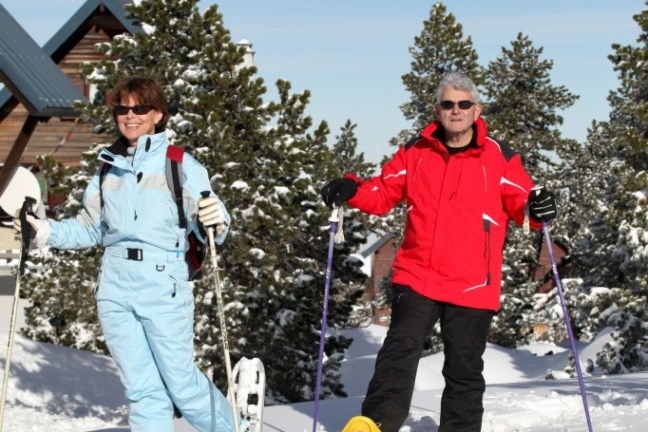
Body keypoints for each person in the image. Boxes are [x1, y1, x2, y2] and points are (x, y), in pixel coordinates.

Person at [321, 72, 557, 432]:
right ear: (437, 109)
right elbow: (382, 191)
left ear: (476, 110)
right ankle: (375, 424)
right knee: (398, 353)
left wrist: (537, 209)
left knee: (463, 368)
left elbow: (521, 201)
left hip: (473, 282)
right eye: (448, 104)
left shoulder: (499, 158)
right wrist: (351, 189)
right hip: (418, 275)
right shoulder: (415, 152)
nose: (456, 110)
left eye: (463, 104)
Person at [14, 76, 243, 432]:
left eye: (140, 108)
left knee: (181, 383)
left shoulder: (180, 163)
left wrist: (217, 218)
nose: (130, 115)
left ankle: (237, 430)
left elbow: (208, 217)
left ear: (158, 115)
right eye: (122, 108)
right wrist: (47, 231)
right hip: (115, 287)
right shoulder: (108, 168)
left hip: (162, 282)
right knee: (142, 390)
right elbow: (91, 228)